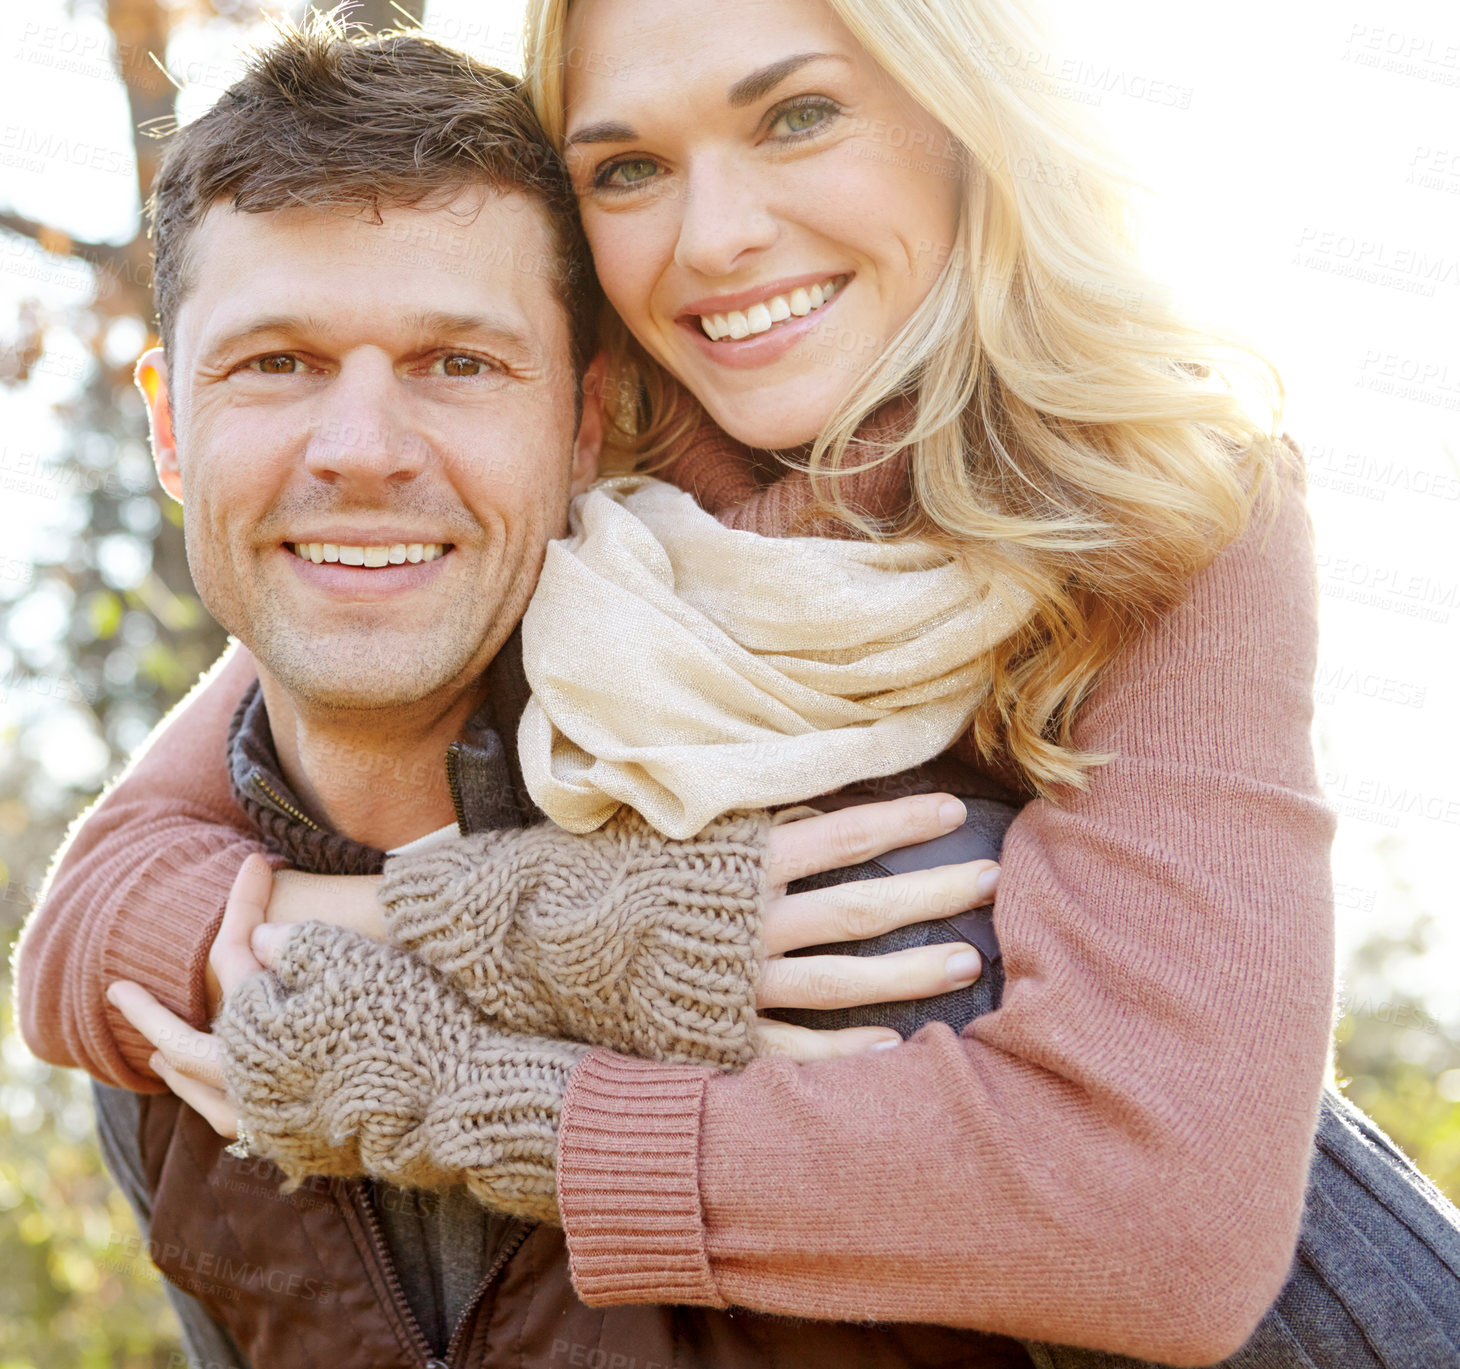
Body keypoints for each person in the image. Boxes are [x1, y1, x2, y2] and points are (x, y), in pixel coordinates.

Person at [18, 4, 1460, 1369]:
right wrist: (511, 926)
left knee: (907, 906)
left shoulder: (1154, 498)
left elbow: (1171, 1222)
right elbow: (101, 914)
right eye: (630, 166)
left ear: (957, 121)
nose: (717, 240)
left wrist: (485, 1098)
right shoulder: (589, 485)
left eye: (798, 116)